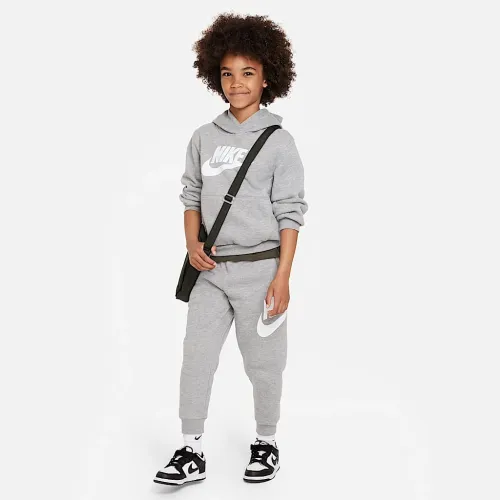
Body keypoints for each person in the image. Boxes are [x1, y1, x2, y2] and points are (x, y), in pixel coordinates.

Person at [154, 12, 308, 486]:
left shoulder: (279, 142)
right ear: (214, 76)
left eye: (248, 73)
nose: (236, 83)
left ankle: (266, 441)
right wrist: (191, 243)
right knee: (195, 358)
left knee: (264, 364)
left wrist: (283, 276)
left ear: (267, 77)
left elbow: (290, 212)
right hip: (211, 271)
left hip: (261, 271)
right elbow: (192, 196)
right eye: (227, 73)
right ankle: (191, 449)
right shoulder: (203, 137)